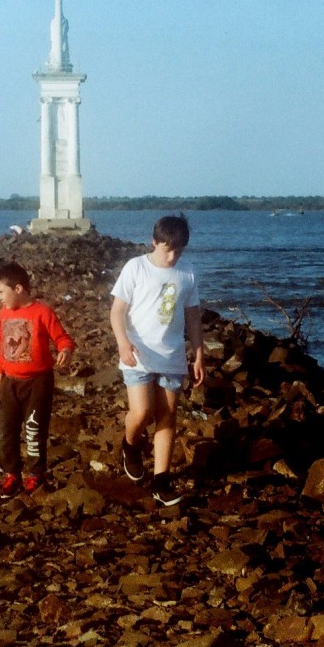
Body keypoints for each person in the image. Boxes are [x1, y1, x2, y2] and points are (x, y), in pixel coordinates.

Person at [109, 214, 205, 506]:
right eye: (167, 250)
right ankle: (130, 444)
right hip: (137, 353)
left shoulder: (186, 272)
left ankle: (161, 480)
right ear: (154, 242)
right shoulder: (136, 267)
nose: (173, 256)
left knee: (167, 415)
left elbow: (193, 317)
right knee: (142, 411)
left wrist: (199, 354)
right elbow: (117, 311)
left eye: (179, 251)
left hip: (172, 355)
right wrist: (123, 343)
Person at [0, 262, 74, 498]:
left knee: (34, 429)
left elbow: (63, 338)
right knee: (6, 430)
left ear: (18, 289)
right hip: (10, 381)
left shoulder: (42, 312)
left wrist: (65, 351)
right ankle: (12, 474)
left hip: (38, 381)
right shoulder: (4, 313)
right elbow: (2, 346)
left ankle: (36, 474)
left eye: (0, 292)